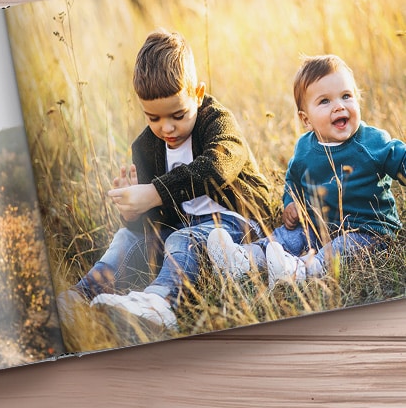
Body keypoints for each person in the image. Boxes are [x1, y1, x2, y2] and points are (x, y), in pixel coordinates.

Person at [59, 30, 273, 333]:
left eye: (178, 114)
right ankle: (77, 298)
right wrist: (134, 215)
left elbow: (217, 168)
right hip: (184, 227)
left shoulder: (216, 122)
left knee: (181, 239)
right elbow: (156, 223)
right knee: (128, 239)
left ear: (197, 94)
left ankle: (160, 303)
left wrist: (154, 192)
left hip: (238, 224)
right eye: (153, 118)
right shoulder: (145, 147)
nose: (167, 127)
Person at [207, 54, 406, 287]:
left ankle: (301, 271)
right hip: (317, 226)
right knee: (285, 237)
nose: (339, 106)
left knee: (341, 248)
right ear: (306, 120)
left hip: (368, 230)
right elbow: (293, 179)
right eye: (325, 101)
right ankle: (243, 259)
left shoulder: (371, 142)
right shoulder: (304, 149)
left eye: (346, 96)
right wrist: (290, 202)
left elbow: (399, 158)